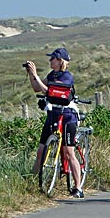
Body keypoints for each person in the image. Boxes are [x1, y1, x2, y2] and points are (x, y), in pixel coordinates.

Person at [24, 47, 84, 198]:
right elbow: (37, 88)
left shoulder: (66, 77)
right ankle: (31, 183)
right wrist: (32, 75)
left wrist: (36, 75)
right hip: (54, 114)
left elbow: (50, 91)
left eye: (52, 58)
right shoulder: (52, 74)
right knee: (40, 151)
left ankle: (78, 187)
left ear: (59, 61)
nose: (50, 60)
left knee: (69, 152)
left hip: (68, 115)